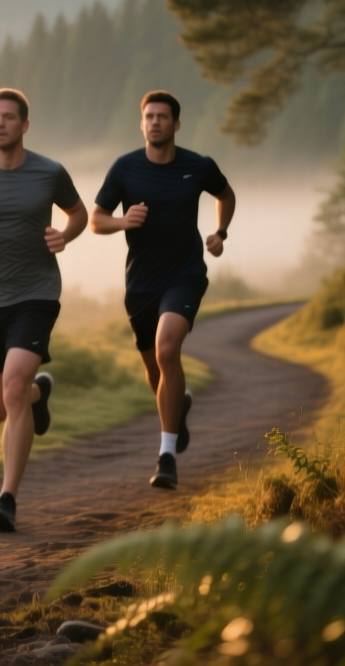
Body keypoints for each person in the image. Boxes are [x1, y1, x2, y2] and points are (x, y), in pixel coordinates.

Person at [0, 88, 88, 531]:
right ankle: (38, 394)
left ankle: (6, 498)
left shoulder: (50, 172)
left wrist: (66, 235)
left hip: (36, 293)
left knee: (13, 385)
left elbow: (78, 213)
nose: (0, 123)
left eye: (8, 117)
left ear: (24, 125)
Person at [89, 90, 235, 490]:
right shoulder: (125, 168)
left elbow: (225, 194)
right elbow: (96, 219)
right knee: (156, 372)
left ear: (176, 124)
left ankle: (166, 456)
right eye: (149, 116)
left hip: (185, 275)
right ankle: (177, 406)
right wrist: (123, 222)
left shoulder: (198, 165)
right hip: (141, 283)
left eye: (162, 116)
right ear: (142, 124)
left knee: (167, 350)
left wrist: (220, 232)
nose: (155, 122)